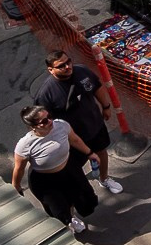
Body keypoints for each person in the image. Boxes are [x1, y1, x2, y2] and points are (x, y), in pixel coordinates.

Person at [33, 51, 125, 193]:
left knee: (101, 152)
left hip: (95, 125)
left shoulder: (82, 71)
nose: (68, 66)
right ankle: (81, 189)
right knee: (74, 166)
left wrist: (106, 106)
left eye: (68, 61)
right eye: (61, 66)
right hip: (72, 138)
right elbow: (42, 123)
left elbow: (97, 87)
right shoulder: (46, 94)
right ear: (51, 70)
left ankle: (104, 178)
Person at [10, 106, 99, 238]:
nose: (50, 121)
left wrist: (90, 153)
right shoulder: (25, 145)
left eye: (49, 117)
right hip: (45, 181)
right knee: (59, 207)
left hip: (69, 170)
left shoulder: (61, 125)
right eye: (44, 121)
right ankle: (69, 220)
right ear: (33, 126)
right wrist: (16, 187)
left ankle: (72, 214)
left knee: (80, 195)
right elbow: (19, 168)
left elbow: (75, 140)